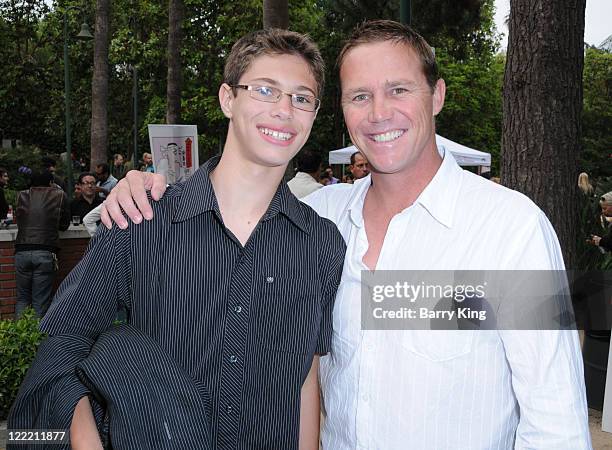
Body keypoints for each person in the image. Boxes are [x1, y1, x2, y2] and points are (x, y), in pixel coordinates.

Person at [101, 20, 590, 449]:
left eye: (399, 89)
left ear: (436, 95)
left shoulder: (514, 226)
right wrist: (146, 187)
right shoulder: (320, 220)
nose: (379, 113)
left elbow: (557, 419)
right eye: (360, 96)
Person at [9, 28, 345, 450]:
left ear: (313, 114)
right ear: (228, 99)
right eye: (265, 90)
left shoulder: (321, 243)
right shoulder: (140, 219)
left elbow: (305, 377)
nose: (284, 109)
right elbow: (64, 341)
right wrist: (85, 439)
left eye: (301, 98)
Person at [14, 172, 70, 317]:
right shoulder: (59, 195)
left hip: (21, 250)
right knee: (41, 301)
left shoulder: (21, 195)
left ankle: (19, 337)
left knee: (22, 299)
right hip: (45, 251)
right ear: (51, 183)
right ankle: (37, 338)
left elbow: (19, 220)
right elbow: (64, 224)